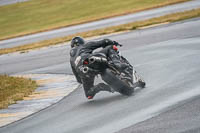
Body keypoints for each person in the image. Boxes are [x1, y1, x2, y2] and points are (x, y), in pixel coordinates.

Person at [70, 36, 143, 99]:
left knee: (89, 94)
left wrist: (86, 78)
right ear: (82, 42)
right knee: (110, 47)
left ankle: (101, 87)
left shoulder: (71, 60)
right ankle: (117, 63)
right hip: (90, 59)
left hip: (83, 71)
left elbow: (78, 80)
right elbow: (105, 41)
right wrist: (113, 42)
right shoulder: (84, 46)